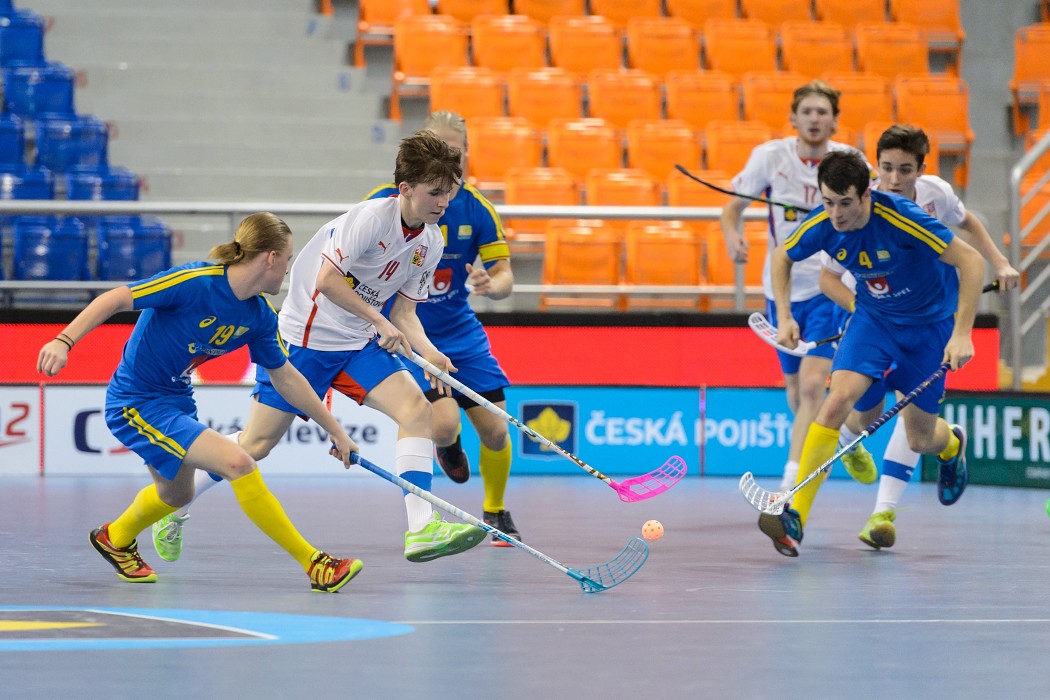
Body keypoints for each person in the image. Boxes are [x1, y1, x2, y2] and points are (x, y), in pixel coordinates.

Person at [150, 131, 486, 564]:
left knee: (417, 411)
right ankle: (172, 507)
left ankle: (422, 528)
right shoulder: (370, 219)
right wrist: (379, 320)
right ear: (405, 189)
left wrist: (428, 352)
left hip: (356, 342)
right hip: (304, 341)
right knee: (256, 445)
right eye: (434, 192)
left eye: (449, 192)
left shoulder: (431, 242)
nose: (444, 202)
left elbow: (405, 314)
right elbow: (327, 282)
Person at [37, 212, 363, 591]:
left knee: (178, 495)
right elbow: (115, 298)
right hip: (136, 402)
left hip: (177, 399)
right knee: (238, 462)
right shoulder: (194, 282)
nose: (288, 270)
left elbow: (286, 377)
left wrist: (336, 430)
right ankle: (315, 564)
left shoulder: (259, 315)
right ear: (270, 258)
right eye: (287, 260)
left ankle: (115, 536)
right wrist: (64, 341)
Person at [758, 150, 985, 557]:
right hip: (873, 320)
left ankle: (951, 444)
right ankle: (795, 517)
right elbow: (781, 256)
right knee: (836, 404)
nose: (836, 214)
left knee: (919, 438)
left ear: (866, 195)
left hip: (927, 329)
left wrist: (962, 334)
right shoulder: (824, 224)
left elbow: (971, 261)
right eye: (828, 202)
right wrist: (786, 316)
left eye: (845, 203)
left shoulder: (902, 218)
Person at [818, 125, 1021, 550]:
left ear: (921, 169)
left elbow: (969, 225)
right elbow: (828, 278)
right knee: (862, 414)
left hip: (929, 319)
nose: (894, 179)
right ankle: (853, 448)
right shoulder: (858, 204)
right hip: (876, 320)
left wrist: (1000, 261)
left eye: (905, 170)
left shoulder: (936, 195)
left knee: (917, 434)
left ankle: (891, 504)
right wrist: (868, 313)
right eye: (886, 168)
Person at [366, 111, 521, 546]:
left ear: (466, 154)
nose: (446, 159)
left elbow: (505, 277)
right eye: (437, 149)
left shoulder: (476, 208)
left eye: (454, 152)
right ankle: (447, 445)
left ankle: (496, 510)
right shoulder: (385, 202)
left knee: (496, 429)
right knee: (445, 424)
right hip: (409, 330)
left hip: (459, 329)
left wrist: (491, 286)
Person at [719, 80, 861, 493]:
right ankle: (832, 441)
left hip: (828, 286)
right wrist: (732, 235)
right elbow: (731, 209)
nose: (815, 119)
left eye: (823, 112)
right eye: (807, 112)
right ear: (793, 118)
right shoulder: (770, 156)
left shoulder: (849, 162)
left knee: (815, 386)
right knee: (797, 392)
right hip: (781, 287)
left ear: (834, 120)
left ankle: (790, 483)